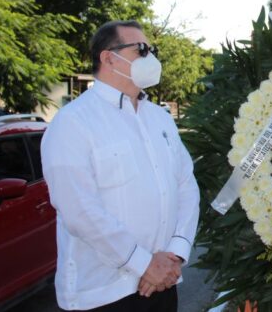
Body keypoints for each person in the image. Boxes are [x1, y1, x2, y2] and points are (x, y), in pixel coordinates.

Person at [42, 20, 200, 311]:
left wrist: (175, 254)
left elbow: (186, 186)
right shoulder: (73, 122)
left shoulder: (160, 118)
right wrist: (143, 264)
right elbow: (79, 210)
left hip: (163, 283)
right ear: (107, 57)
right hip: (104, 293)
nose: (150, 58)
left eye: (152, 50)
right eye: (141, 49)